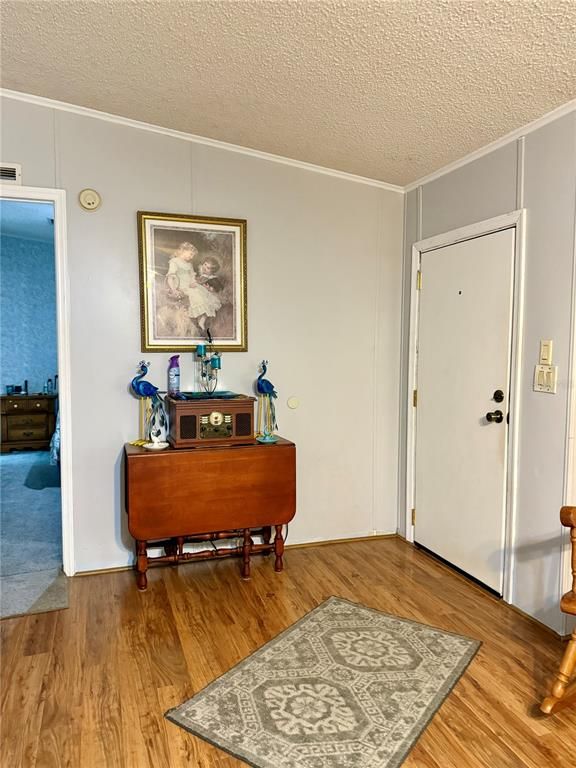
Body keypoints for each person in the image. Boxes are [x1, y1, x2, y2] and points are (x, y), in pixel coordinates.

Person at [187, 255, 224, 331]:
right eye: (205, 264)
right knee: (200, 307)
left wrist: (210, 288)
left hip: (207, 296)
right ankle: (199, 323)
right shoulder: (203, 276)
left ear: (212, 271)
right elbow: (197, 281)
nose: (204, 267)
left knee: (205, 308)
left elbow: (218, 288)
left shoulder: (212, 278)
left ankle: (201, 323)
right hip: (201, 293)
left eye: (207, 268)